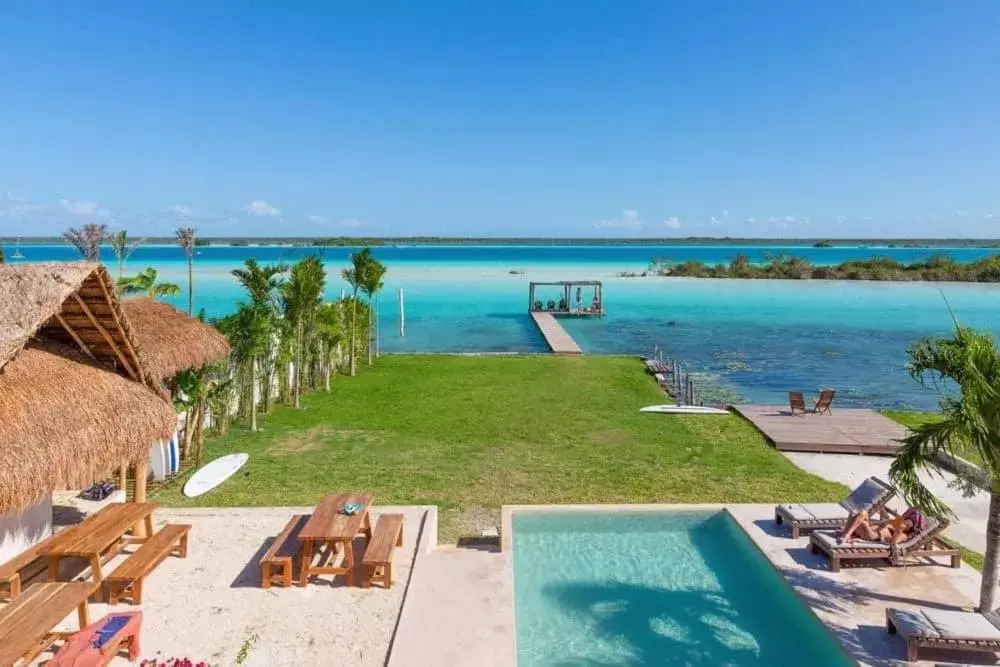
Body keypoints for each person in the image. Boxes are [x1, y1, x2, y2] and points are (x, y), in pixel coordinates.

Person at [839, 507, 926, 544]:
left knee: (861, 513)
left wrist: (899, 531)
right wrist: (886, 523)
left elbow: (893, 542)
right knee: (858, 512)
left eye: (908, 525)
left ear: (911, 528)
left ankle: (846, 534)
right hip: (870, 529)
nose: (905, 524)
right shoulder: (898, 522)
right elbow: (881, 524)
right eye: (906, 521)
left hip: (871, 535)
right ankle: (848, 532)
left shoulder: (904, 535)